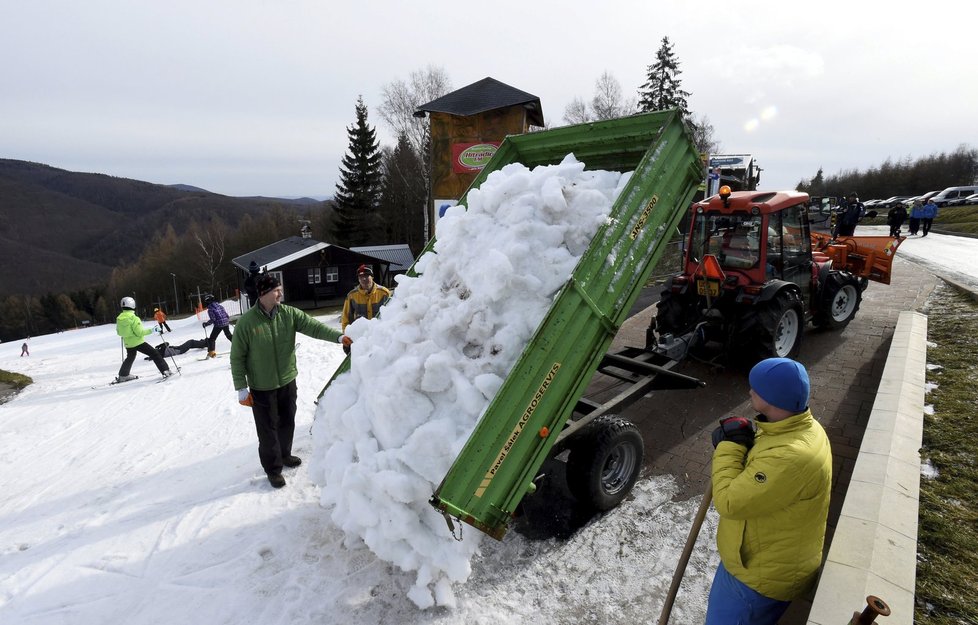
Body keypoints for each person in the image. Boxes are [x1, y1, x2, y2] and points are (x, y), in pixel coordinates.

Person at [705, 357, 832, 624]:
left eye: (756, 388)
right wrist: (748, 440)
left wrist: (730, 447)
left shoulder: (791, 456)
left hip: (758, 579)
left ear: (774, 399)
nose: (750, 391)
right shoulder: (798, 427)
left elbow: (728, 502)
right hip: (759, 558)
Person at [230, 274, 349, 489]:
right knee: (267, 430)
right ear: (264, 293)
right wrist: (241, 387)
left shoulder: (289, 314)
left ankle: (285, 454)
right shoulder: (246, 323)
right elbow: (237, 357)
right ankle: (273, 469)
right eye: (277, 290)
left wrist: (339, 337)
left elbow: (315, 327)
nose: (281, 293)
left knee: (287, 421)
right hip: (261, 387)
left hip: (287, 380)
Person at [115, 297, 172, 382]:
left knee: (130, 357)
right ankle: (165, 371)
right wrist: (153, 330)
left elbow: (119, 333)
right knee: (155, 354)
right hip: (138, 342)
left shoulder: (119, 318)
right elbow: (140, 333)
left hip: (128, 343)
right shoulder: (134, 318)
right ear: (132, 305)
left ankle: (123, 375)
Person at [341, 264, 391, 355]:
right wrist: (347, 337)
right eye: (360, 277)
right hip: (360, 339)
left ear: (372, 277)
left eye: (366, 276)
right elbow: (346, 319)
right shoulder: (352, 296)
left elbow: (392, 314)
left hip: (380, 336)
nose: (364, 279)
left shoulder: (384, 293)